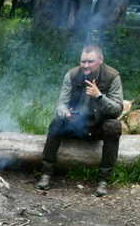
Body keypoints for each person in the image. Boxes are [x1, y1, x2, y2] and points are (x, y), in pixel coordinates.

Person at [36, 45, 123, 198]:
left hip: (97, 126)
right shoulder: (72, 75)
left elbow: (117, 110)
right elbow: (61, 104)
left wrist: (99, 96)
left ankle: (103, 180)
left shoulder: (112, 76)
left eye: (90, 61)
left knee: (114, 126)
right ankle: (46, 174)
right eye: (83, 61)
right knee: (56, 122)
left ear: (100, 61)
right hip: (76, 124)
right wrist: (64, 112)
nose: (85, 65)